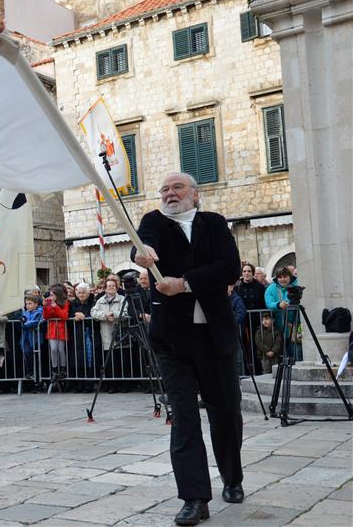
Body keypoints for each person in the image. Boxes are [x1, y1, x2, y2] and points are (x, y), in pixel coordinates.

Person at [133, 172, 244, 526]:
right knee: (183, 417)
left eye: (177, 187)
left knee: (225, 411)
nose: (169, 193)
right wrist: (143, 252)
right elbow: (143, 243)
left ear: (195, 195)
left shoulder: (214, 223)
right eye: (164, 189)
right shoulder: (153, 221)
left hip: (215, 336)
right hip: (173, 340)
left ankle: (232, 477)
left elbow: (230, 267)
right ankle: (194, 497)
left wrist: (184, 284)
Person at [90, 278, 127, 393]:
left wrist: (113, 314)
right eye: (109, 286)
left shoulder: (122, 299)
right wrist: (105, 315)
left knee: (121, 361)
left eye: (113, 285)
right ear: (105, 288)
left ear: (117, 287)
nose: (111, 287)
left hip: (119, 333)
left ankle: (123, 385)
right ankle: (112, 385)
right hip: (106, 334)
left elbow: (125, 312)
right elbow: (93, 312)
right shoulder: (100, 301)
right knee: (110, 362)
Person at [264, 266, 302, 362]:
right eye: (280, 277)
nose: (282, 279)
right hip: (279, 328)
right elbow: (269, 303)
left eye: (285, 277)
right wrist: (278, 305)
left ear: (290, 276)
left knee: (297, 353)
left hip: (296, 326)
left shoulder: (298, 284)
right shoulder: (271, 288)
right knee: (283, 355)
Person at [235, 263, 266, 375]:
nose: (246, 273)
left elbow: (263, 304)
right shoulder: (237, 287)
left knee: (256, 344)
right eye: (244, 271)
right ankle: (246, 371)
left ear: (253, 273)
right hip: (242, 321)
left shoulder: (260, 287)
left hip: (256, 319)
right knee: (243, 345)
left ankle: (258, 369)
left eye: (249, 271)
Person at [69, 282, 95, 384]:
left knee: (89, 359)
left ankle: (89, 383)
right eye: (79, 292)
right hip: (77, 334)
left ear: (88, 293)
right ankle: (79, 384)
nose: (81, 295)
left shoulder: (93, 302)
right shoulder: (73, 303)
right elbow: (70, 315)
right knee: (77, 358)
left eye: (83, 292)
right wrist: (74, 317)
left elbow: (94, 315)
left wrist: (85, 316)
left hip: (89, 333)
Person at [43, 285, 70, 379]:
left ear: (57, 296)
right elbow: (46, 317)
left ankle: (63, 368)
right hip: (52, 329)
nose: (50, 297)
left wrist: (56, 307)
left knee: (61, 349)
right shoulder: (50, 303)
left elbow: (64, 316)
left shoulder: (65, 303)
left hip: (61, 329)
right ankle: (54, 369)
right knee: (53, 349)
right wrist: (46, 307)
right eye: (50, 295)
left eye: (52, 295)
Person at [21, 295, 43, 379]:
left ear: (36, 304)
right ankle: (30, 372)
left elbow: (36, 322)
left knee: (37, 358)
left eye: (30, 303)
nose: (28, 305)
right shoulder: (25, 313)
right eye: (26, 304)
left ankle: (37, 376)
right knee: (27, 354)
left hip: (36, 338)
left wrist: (25, 324)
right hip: (26, 338)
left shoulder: (39, 312)